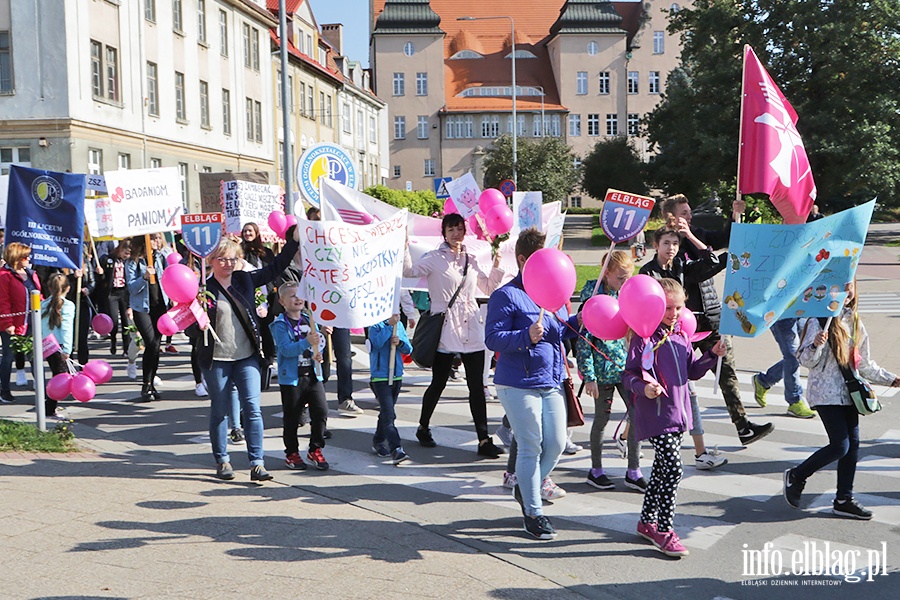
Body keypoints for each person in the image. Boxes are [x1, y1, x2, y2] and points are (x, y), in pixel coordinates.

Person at [485, 228, 580, 539]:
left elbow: (560, 331)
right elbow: (493, 338)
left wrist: (582, 320)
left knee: (555, 444)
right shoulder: (505, 295)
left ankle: (528, 489)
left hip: (550, 379)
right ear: (524, 260)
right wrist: (526, 336)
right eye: (542, 259)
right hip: (517, 382)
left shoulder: (552, 293)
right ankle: (533, 512)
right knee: (531, 444)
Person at [623, 278, 726, 557]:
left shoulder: (681, 335)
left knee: (661, 470)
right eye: (668, 308)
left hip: (678, 415)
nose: (674, 313)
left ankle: (646, 522)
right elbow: (628, 374)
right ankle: (665, 530)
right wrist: (643, 387)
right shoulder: (645, 338)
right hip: (655, 415)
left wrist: (711, 355)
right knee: (675, 468)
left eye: (678, 307)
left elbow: (691, 370)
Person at [188, 227, 299, 482]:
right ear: (211, 261)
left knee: (252, 408)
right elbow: (190, 327)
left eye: (232, 258)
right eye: (222, 258)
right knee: (220, 409)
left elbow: (276, 267)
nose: (227, 263)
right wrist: (199, 325)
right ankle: (223, 460)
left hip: (246, 356)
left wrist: (292, 242)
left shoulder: (244, 280)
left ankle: (257, 463)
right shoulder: (203, 288)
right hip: (216, 359)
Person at [662, 194, 773, 445]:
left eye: (689, 212)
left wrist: (735, 215)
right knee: (674, 379)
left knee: (727, 372)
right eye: (684, 214)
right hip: (684, 323)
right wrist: (689, 239)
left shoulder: (697, 232)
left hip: (711, 318)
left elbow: (724, 239)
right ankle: (648, 429)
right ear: (671, 217)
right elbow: (702, 269)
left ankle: (743, 426)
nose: (689, 217)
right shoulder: (669, 247)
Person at [783, 281, 900, 519]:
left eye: (850, 288)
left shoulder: (854, 321)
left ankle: (843, 499)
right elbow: (805, 360)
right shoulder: (816, 321)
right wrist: (816, 345)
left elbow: (864, 364)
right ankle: (797, 475)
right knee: (840, 445)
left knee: (852, 447)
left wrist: (891, 379)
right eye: (840, 288)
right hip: (825, 393)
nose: (846, 293)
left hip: (849, 393)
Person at [404, 213, 505, 458]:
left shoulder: (471, 258)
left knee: (476, 386)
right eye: (451, 229)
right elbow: (409, 271)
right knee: (438, 383)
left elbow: (488, 288)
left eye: (459, 229)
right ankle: (423, 426)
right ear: (444, 233)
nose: (456, 234)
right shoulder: (434, 258)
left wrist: (497, 263)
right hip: (445, 327)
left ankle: (483, 439)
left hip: (471, 326)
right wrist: (404, 246)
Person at [640, 227, 729, 470]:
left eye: (675, 243)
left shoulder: (680, 266)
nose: (671, 248)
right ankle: (631, 448)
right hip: (654, 344)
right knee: (644, 398)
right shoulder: (647, 272)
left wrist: (690, 236)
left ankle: (700, 453)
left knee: (689, 394)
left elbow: (710, 262)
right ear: (656, 245)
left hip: (678, 338)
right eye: (666, 242)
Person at [576, 250, 646, 492]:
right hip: (602, 370)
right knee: (602, 420)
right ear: (606, 273)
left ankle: (633, 470)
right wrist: (589, 377)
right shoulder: (593, 294)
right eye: (620, 278)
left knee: (637, 414)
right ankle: (596, 470)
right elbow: (583, 339)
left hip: (624, 368)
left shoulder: (625, 294)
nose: (625, 283)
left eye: (628, 278)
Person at [305, 206, 364, 417]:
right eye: (315, 220)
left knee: (345, 357)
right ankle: (313, 401)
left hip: (340, 313)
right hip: (317, 314)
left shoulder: (340, 247)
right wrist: (320, 317)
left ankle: (345, 398)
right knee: (321, 360)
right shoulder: (307, 248)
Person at [269, 281, 330, 471]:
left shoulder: (309, 319)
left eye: (300, 295)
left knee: (321, 411)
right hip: (292, 378)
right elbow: (286, 350)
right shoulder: (279, 324)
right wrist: (306, 342)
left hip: (312, 375)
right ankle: (292, 453)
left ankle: (315, 449)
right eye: (292, 296)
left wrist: (318, 350)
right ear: (282, 301)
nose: (297, 299)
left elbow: (316, 345)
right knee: (292, 417)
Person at [125, 233, 168, 402]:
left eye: (158, 238)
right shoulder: (133, 262)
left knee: (156, 346)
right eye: (153, 238)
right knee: (150, 342)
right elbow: (132, 288)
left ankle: (151, 383)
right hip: (142, 307)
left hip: (159, 306)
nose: (157, 241)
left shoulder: (161, 258)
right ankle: (145, 384)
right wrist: (144, 277)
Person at [368, 313, 413, 465]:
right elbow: (376, 343)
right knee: (389, 415)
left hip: (396, 376)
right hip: (380, 377)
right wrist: (388, 325)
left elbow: (408, 349)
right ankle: (396, 448)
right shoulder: (375, 324)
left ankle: (378, 440)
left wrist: (400, 343)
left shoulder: (398, 325)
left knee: (386, 413)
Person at [0, 243, 41, 403]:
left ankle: (41, 388)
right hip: (13, 324)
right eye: (25, 256)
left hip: (32, 322)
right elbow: (3, 301)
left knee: (34, 356)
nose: (28, 259)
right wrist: (7, 323)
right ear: (16, 258)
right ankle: (4, 390)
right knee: (8, 356)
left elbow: (38, 296)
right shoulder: (4, 275)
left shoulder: (31, 273)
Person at [752, 318, 816, 418]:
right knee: (793, 357)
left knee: (800, 355)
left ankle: (764, 381)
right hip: (782, 316)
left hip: (801, 313)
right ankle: (794, 401)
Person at [41, 273, 75, 419]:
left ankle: (49, 406)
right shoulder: (68, 305)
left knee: (57, 375)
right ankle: (49, 409)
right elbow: (66, 328)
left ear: (49, 287)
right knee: (59, 377)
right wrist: (67, 349)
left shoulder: (42, 304)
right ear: (68, 288)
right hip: (59, 345)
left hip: (47, 344)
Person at [99, 240, 132, 356]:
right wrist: (101, 272)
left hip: (124, 292)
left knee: (126, 321)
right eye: (124, 252)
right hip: (112, 293)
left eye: (128, 254)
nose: (126, 255)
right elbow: (103, 274)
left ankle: (126, 348)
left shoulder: (130, 262)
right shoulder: (110, 259)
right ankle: (113, 340)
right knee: (113, 320)